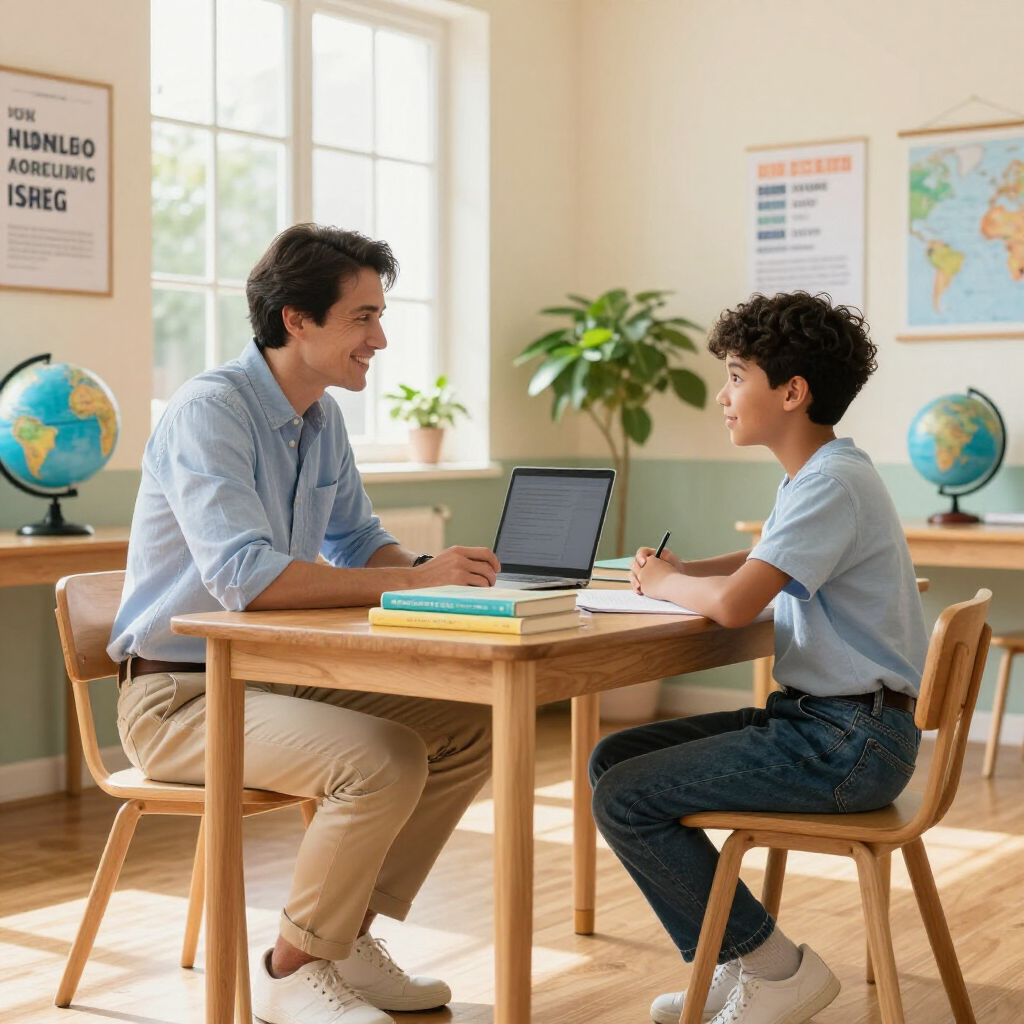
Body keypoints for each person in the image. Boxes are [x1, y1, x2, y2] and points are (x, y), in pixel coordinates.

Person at [108, 224, 501, 1024]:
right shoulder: (210, 413)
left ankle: (343, 939)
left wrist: (440, 586)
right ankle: (290, 972)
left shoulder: (321, 418)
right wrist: (410, 583)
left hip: (268, 680)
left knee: (468, 724)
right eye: (363, 318)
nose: (380, 339)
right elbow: (245, 580)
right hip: (180, 701)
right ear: (297, 319)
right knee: (382, 758)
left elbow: (358, 541)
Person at [589, 292, 928, 1024]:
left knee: (624, 797)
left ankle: (777, 969)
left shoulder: (831, 483)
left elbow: (740, 605)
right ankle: (731, 958)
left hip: (846, 744)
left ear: (792, 392)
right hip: (835, 727)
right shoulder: (822, 475)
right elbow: (760, 561)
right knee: (612, 761)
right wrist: (691, 570)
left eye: (737, 376)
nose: (724, 395)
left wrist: (666, 582)